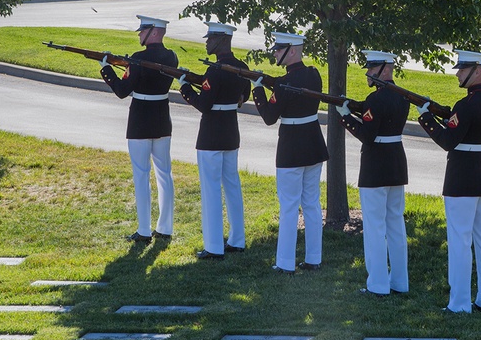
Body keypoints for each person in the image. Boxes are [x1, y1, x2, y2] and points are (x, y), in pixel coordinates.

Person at [417, 51, 481, 313]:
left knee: (460, 242)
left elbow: (448, 141)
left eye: (462, 69)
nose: (457, 73)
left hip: (461, 178)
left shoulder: (465, 105)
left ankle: (460, 303)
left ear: (477, 70)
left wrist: (426, 119)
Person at [252, 32, 329, 275]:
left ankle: (285, 263)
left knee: (288, 206)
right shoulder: (313, 75)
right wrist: (272, 84)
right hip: (314, 144)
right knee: (311, 204)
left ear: (292, 51)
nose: (274, 52)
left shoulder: (284, 85)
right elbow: (295, 85)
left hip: (291, 148)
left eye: (279, 49)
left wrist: (258, 90)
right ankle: (314, 259)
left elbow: (268, 117)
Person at [99, 16, 177, 244]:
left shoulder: (139, 58)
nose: (139, 34)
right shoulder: (172, 56)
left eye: (142, 31)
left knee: (142, 176)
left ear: (153, 32)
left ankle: (144, 230)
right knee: (164, 174)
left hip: (140, 120)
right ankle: (165, 227)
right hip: (162, 119)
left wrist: (106, 69)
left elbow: (122, 90)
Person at [338, 50, 409, 296]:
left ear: (385, 69)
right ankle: (400, 282)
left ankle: (378, 285)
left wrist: (346, 118)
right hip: (397, 166)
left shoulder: (375, 99)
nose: (368, 73)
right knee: (396, 225)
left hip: (375, 168)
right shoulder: (403, 97)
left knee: (375, 228)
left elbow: (368, 136)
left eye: (372, 68)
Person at [180, 21, 252, 260]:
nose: (207, 42)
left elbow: (204, 105)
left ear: (222, 41)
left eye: (210, 39)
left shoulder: (215, 71)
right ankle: (237, 240)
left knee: (211, 189)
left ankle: (213, 246)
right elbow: (245, 92)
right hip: (231, 134)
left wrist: (185, 88)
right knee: (232, 186)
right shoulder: (241, 67)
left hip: (211, 136)